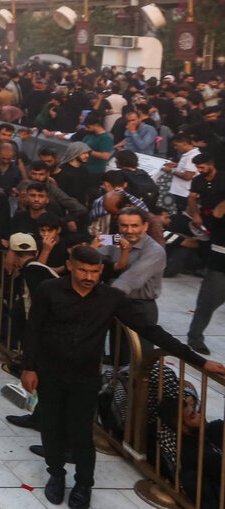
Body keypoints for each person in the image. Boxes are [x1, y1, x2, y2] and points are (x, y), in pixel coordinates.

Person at [21, 244, 225, 508]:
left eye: (94, 271)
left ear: (101, 270)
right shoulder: (48, 291)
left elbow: (152, 331)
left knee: (81, 433)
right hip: (49, 374)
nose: (89, 277)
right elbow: (33, 330)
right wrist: (29, 367)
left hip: (84, 378)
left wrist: (199, 361)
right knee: (51, 429)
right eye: (83, 270)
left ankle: (84, 484)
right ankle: (56, 475)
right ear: (70, 266)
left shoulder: (110, 298)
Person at [186, 153, 225, 354]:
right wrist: (196, 214)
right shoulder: (219, 211)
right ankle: (195, 336)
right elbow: (217, 215)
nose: (200, 171)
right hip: (220, 262)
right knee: (208, 302)